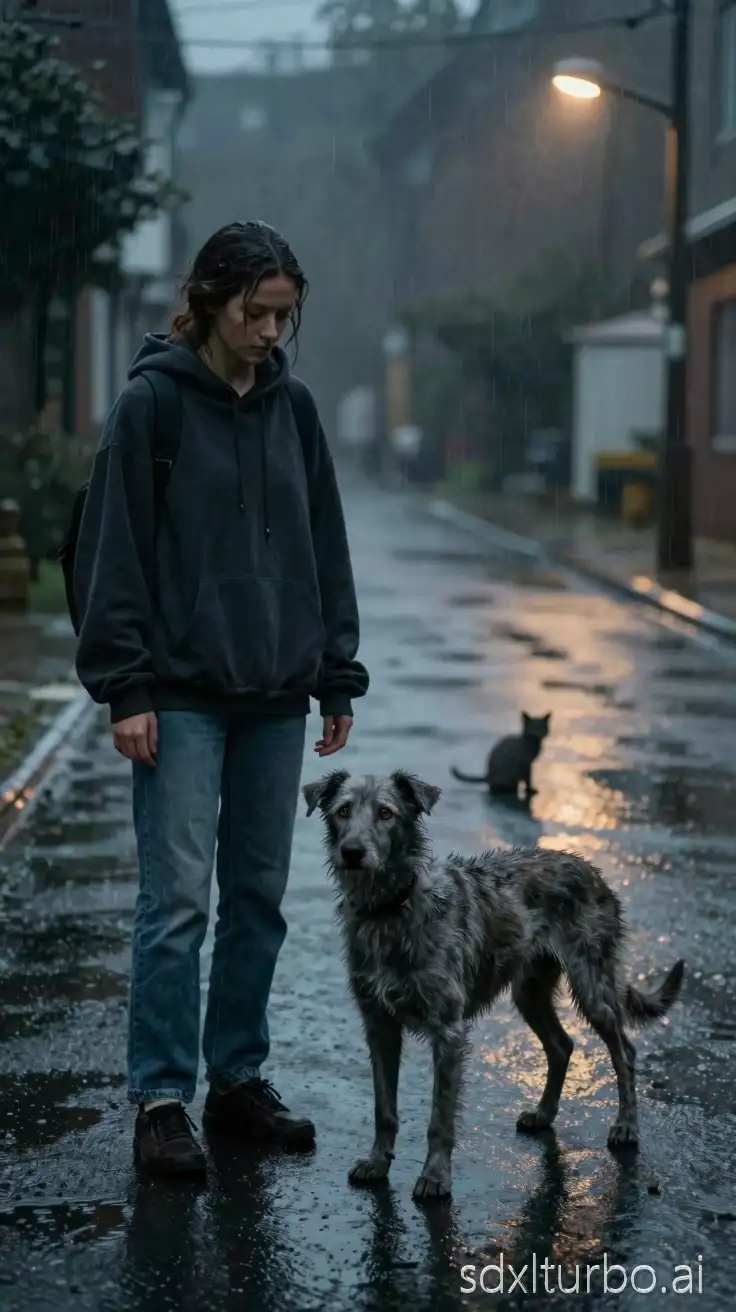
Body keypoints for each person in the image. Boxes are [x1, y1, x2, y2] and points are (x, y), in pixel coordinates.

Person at [73, 221, 369, 1177]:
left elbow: (325, 542)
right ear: (210, 302)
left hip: (276, 693)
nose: (274, 331)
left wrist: (335, 670)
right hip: (182, 694)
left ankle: (237, 1080)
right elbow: (112, 552)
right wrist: (126, 686)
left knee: (258, 898)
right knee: (176, 906)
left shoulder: (296, 410)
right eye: (257, 312)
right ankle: (163, 1098)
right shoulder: (152, 407)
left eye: (286, 314)